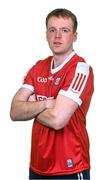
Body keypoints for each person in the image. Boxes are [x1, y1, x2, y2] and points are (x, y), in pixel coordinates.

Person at [10, 8, 94, 180]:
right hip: (37, 165)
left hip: (69, 167)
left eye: (64, 30)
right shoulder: (38, 67)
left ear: (75, 36)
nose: (57, 36)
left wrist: (31, 106)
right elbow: (14, 111)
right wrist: (46, 104)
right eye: (52, 30)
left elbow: (57, 120)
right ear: (46, 34)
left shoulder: (80, 69)